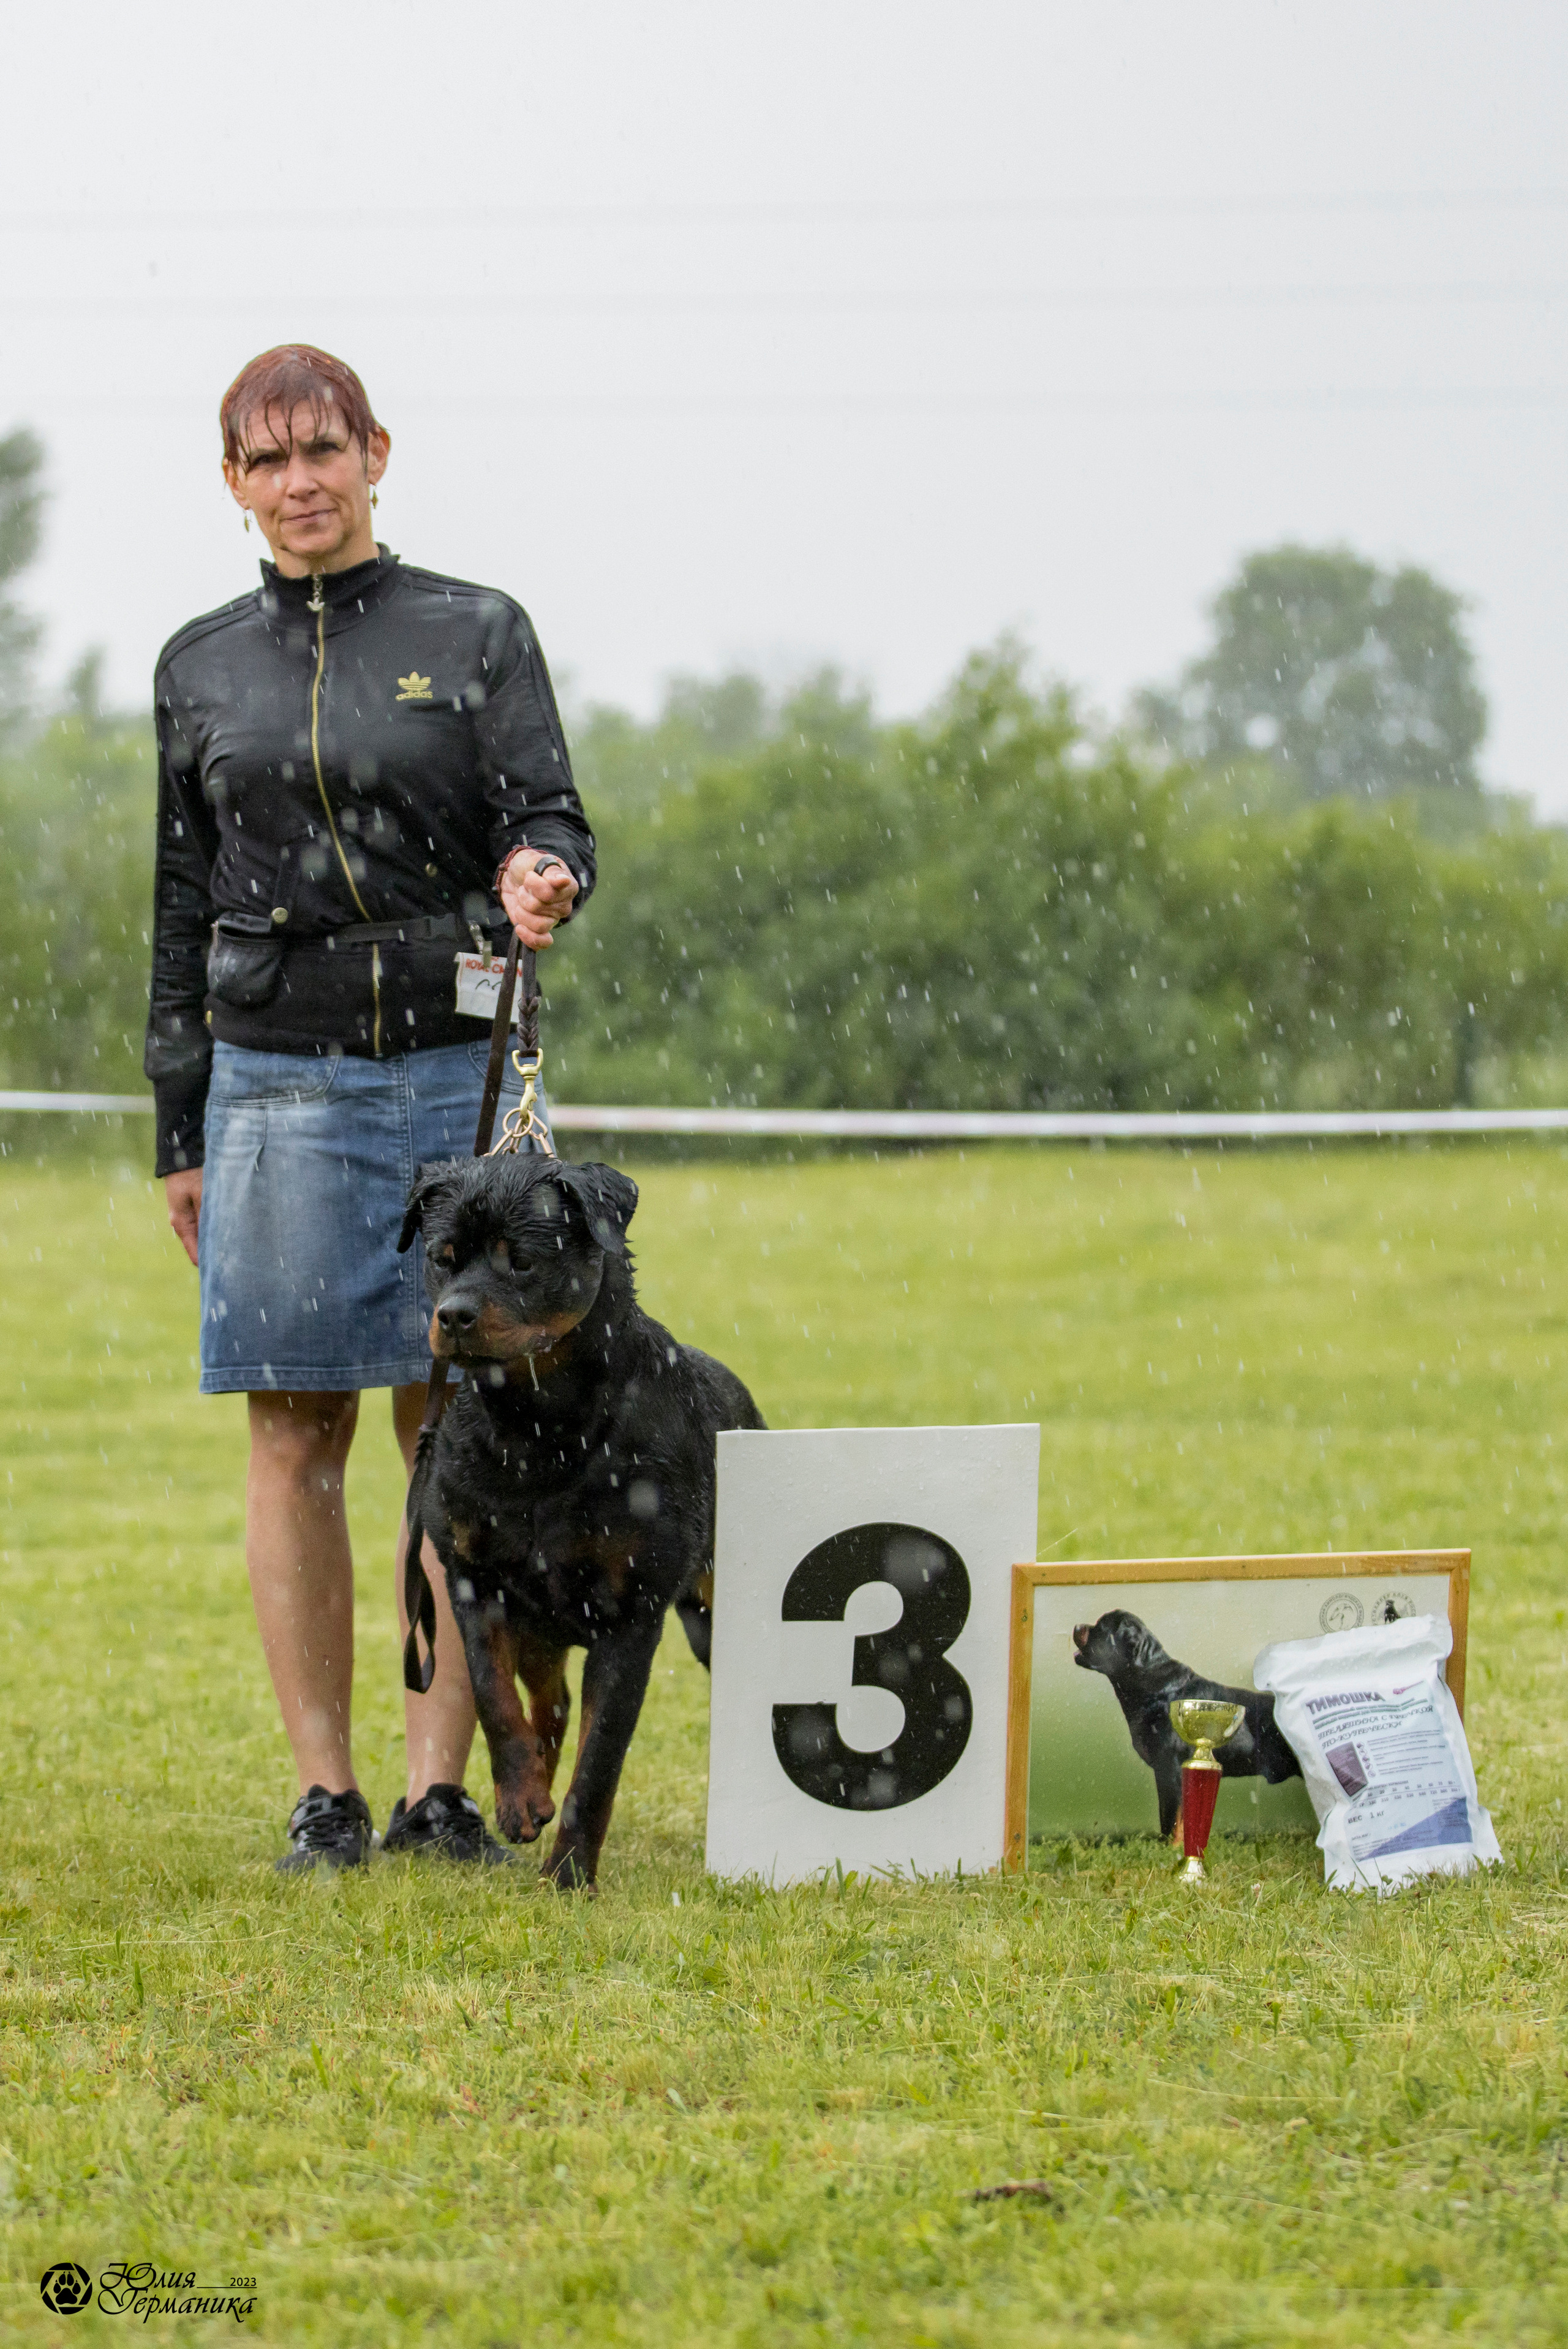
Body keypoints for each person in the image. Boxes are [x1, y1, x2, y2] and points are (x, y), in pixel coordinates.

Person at [145, 344, 595, 1870]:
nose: (300, 484)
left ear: (376, 452)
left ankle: (440, 1790)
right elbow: (179, 904)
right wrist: (178, 1122)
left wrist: (545, 870)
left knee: (451, 1429)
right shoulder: (197, 665)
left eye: (321, 451)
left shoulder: (475, 632)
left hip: (449, 1071)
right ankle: (324, 1791)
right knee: (294, 1433)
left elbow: (549, 814)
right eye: (266, 462)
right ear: (233, 483)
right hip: (272, 1080)